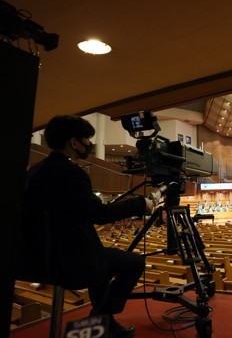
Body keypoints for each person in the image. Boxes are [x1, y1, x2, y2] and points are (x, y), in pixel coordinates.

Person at [16, 115, 154, 338]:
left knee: (102, 266)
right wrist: (140, 203)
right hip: (69, 260)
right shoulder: (71, 173)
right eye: (87, 139)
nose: (89, 144)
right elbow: (99, 214)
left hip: (35, 259)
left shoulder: (34, 171)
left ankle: (103, 324)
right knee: (134, 263)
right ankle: (97, 319)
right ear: (73, 142)